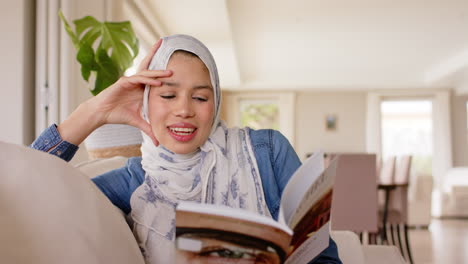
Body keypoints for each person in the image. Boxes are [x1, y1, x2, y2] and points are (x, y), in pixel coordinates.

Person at [31, 34, 341, 264]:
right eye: (167, 96)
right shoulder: (133, 180)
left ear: (216, 103)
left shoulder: (268, 151)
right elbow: (28, 191)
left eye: (201, 98)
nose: (184, 110)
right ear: (146, 103)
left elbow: (324, 257)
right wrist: (94, 111)